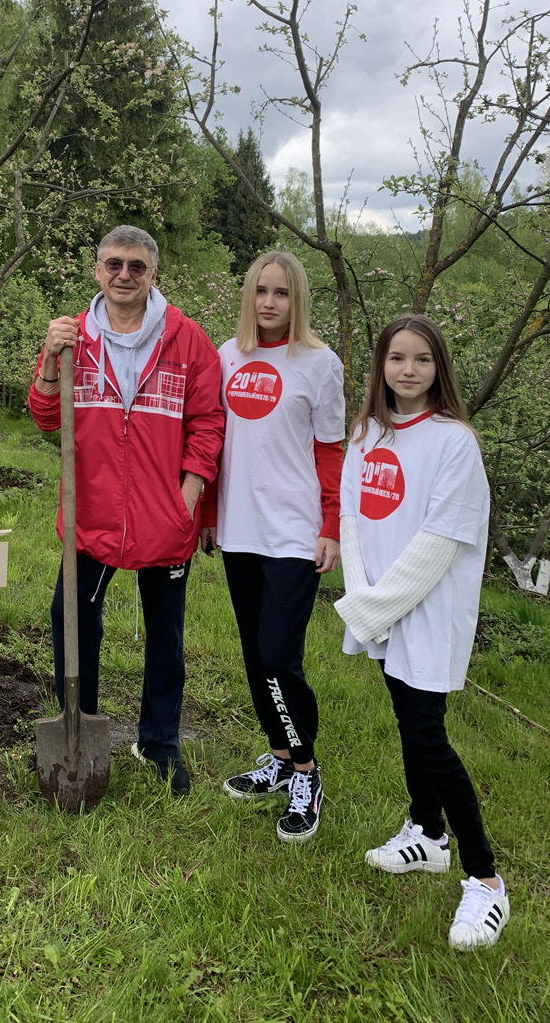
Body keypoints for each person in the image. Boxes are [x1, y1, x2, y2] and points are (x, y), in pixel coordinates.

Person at [28, 225, 224, 795]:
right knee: (71, 619)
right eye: (113, 264)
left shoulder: (187, 339)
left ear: (152, 274)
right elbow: (45, 418)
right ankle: (79, 723)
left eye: (136, 266)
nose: (124, 275)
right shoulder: (72, 336)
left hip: (164, 519)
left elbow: (209, 423)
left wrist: (188, 497)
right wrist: (48, 364)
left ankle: (160, 744)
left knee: (166, 634)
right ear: (97, 271)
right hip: (91, 513)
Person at [335, 314, 508, 950]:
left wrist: (376, 607)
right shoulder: (366, 434)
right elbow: (353, 518)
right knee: (408, 722)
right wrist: (363, 594)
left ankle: (485, 880)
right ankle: (427, 835)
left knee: (429, 736)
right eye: (397, 359)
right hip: (381, 603)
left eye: (423, 360)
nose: (408, 371)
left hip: (426, 608)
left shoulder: (453, 442)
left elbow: (440, 543)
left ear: (440, 369)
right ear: (380, 365)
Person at [199, 251, 344, 843]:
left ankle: (307, 772)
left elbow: (331, 450)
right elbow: (211, 438)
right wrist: (209, 514)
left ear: (297, 299)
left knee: (280, 657)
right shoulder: (226, 356)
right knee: (257, 656)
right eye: (261, 291)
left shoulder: (319, 363)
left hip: (293, 532)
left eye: (281, 293)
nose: (268, 303)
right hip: (238, 529)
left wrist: (331, 526)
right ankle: (281, 758)